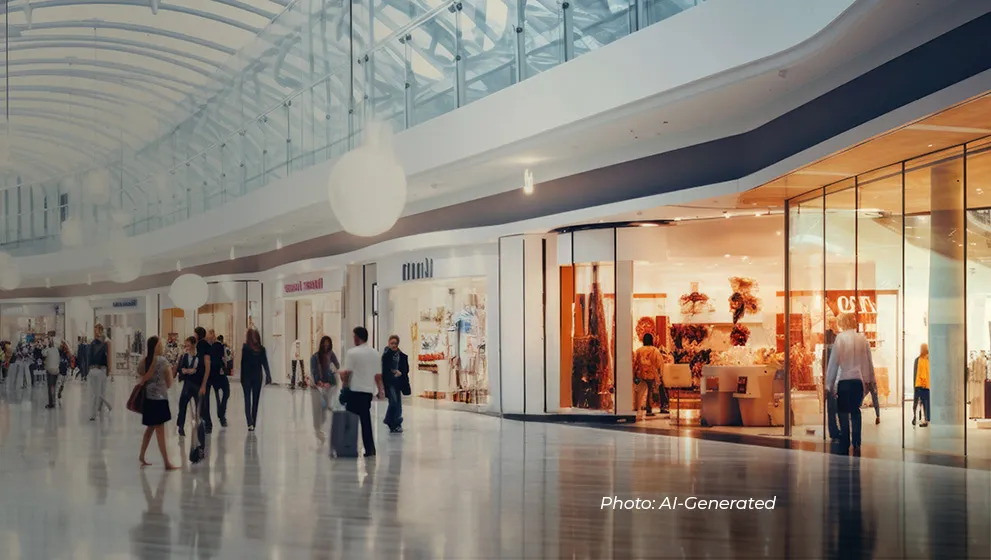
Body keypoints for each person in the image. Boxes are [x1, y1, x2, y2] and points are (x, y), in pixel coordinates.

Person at [825, 313, 877, 453]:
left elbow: (834, 362)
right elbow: (868, 362)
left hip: (844, 379)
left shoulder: (840, 339)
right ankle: (857, 440)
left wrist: (829, 383)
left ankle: (845, 439)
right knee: (855, 411)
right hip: (858, 380)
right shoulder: (862, 339)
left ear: (842, 323)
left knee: (843, 411)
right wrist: (868, 380)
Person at [337, 327, 385, 457]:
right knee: (366, 420)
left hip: (354, 390)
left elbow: (347, 373)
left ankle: (349, 447)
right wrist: (380, 390)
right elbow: (378, 375)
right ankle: (370, 449)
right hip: (367, 392)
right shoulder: (375, 353)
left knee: (350, 421)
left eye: (353, 336)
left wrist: (343, 386)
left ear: (357, 337)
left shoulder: (352, 353)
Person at [136, 336, 179, 471]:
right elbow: (170, 382)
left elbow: (139, 371)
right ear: (156, 346)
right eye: (161, 343)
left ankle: (142, 455)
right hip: (160, 399)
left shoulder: (145, 360)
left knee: (150, 428)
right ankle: (167, 462)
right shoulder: (163, 361)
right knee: (160, 431)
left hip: (148, 398)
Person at [310, 336, 341, 439]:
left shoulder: (331, 354)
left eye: (328, 343)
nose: (326, 345)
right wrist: (319, 381)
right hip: (320, 385)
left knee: (326, 405)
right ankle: (318, 428)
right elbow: (314, 371)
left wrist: (333, 366)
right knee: (321, 406)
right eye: (324, 343)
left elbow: (337, 365)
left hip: (331, 384)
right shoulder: (315, 357)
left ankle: (322, 428)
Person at [240, 328, 270, 431]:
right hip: (252, 377)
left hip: (252, 377)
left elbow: (264, 362)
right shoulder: (251, 349)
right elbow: (243, 364)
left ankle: (252, 422)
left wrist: (268, 375)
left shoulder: (255, 349)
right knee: (251, 400)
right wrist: (268, 375)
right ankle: (251, 422)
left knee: (252, 400)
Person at [381, 335, 409, 433]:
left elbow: (406, 369)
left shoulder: (402, 356)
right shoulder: (386, 356)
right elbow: (384, 370)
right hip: (389, 383)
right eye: (392, 343)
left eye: (395, 343)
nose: (393, 345)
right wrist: (393, 372)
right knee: (393, 402)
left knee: (397, 403)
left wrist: (400, 372)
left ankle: (395, 423)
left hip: (398, 382)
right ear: (389, 343)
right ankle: (391, 421)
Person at [633, 333, 664, 419]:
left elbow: (634, 362)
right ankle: (648, 409)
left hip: (641, 374)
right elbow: (660, 363)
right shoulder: (655, 350)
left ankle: (638, 407)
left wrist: (635, 373)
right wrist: (660, 374)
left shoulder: (638, 351)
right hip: (652, 374)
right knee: (650, 391)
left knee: (640, 392)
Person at [176, 336, 199, 437]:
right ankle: (180, 426)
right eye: (186, 346)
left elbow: (199, 369)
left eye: (188, 345)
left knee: (199, 406)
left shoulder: (198, 357)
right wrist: (183, 370)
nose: (187, 347)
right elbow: (180, 368)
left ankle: (200, 426)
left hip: (196, 384)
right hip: (187, 384)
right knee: (182, 404)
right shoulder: (184, 356)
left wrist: (194, 371)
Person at [89, 324, 113, 421]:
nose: (95, 333)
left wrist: (109, 370)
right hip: (95, 369)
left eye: (97, 331)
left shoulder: (106, 342)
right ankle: (97, 412)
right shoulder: (93, 342)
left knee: (100, 392)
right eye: (94, 331)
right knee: (97, 393)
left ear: (101, 330)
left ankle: (99, 410)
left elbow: (109, 356)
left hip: (102, 369)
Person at [207, 329, 229, 429]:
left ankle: (221, 413)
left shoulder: (211, 346)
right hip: (217, 373)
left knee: (220, 394)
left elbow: (224, 358)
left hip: (214, 373)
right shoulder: (218, 345)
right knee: (224, 392)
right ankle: (221, 415)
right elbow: (224, 359)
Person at [913, 343, 931, 427]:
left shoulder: (921, 359)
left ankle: (923, 420)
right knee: (927, 403)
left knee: (922, 403)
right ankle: (927, 419)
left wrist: (921, 384)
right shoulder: (928, 359)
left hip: (921, 385)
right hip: (927, 385)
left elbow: (921, 373)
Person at [42, 341, 60, 409]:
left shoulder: (48, 350)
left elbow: (43, 354)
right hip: (56, 370)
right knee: (54, 386)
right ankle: (54, 401)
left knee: (50, 387)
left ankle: (51, 403)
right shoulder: (56, 350)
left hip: (50, 370)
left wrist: (45, 347)